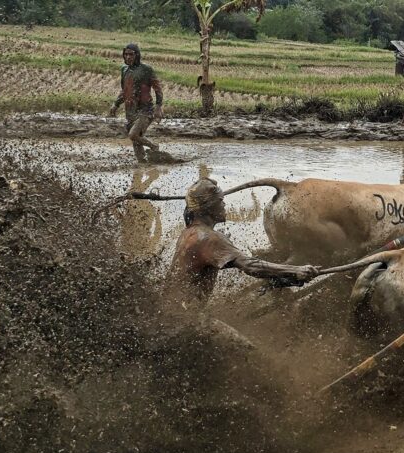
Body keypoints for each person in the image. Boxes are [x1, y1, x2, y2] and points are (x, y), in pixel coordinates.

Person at [168, 177, 319, 304]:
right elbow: (250, 265)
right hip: (187, 316)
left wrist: (284, 274)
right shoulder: (209, 238)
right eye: (221, 200)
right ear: (209, 206)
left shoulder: (189, 232)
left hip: (171, 309)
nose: (224, 204)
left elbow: (242, 263)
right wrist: (296, 270)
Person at [108, 43, 163, 163]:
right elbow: (124, 90)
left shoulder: (146, 69)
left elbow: (157, 88)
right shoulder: (124, 69)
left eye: (131, 54)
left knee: (133, 135)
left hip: (145, 110)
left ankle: (153, 146)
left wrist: (158, 106)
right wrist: (116, 104)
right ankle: (142, 164)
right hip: (130, 110)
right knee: (136, 140)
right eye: (126, 54)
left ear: (137, 55)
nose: (128, 57)